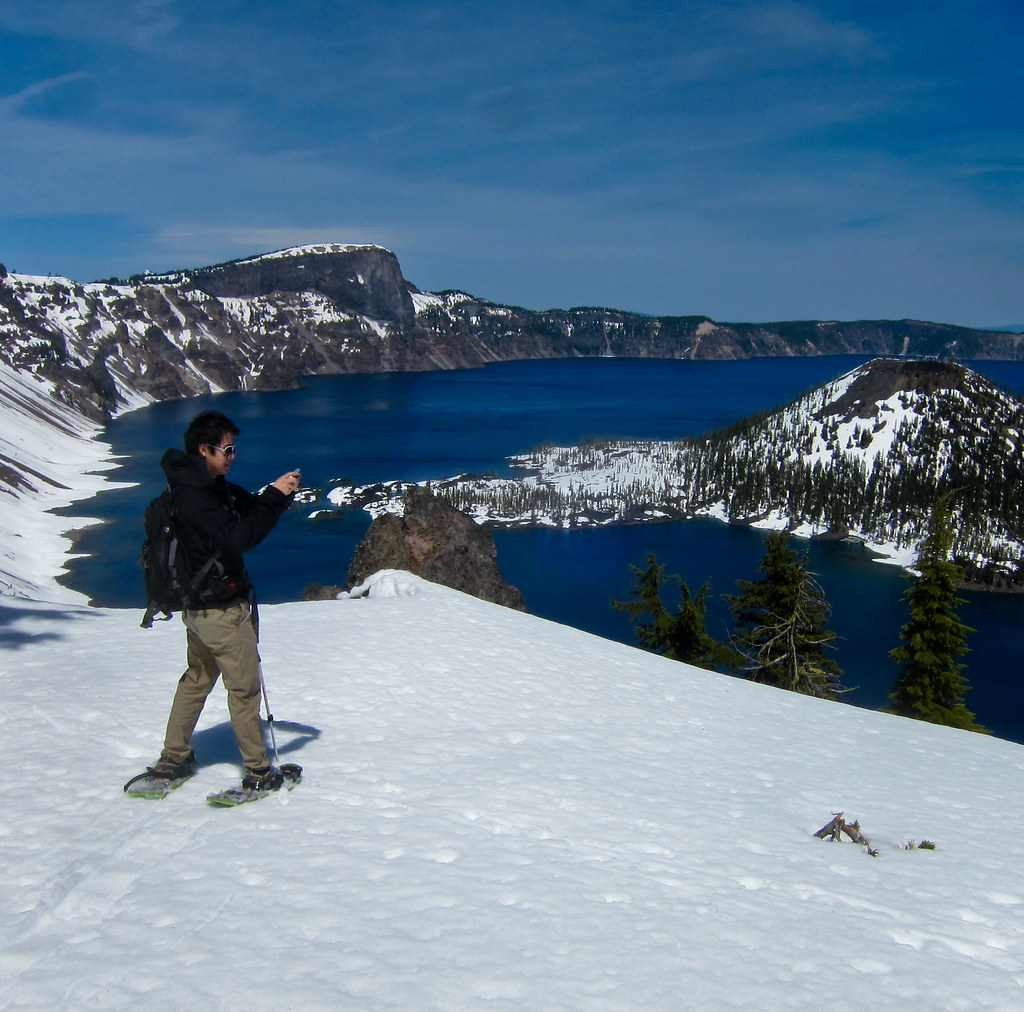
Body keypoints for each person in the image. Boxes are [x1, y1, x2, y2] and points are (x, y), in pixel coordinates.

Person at [147, 410, 301, 792]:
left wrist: (273, 496)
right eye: (227, 450)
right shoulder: (198, 497)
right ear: (205, 450)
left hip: (198, 609)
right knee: (243, 689)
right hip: (221, 611)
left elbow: (243, 508)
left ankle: (174, 756)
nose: (233, 457)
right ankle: (258, 771)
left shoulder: (196, 486)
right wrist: (275, 502)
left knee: (197, 679)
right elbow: (242, 536)